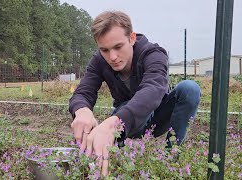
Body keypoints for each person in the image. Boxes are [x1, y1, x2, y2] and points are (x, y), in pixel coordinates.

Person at [69, 10, 200, 176]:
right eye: (105, 50)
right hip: (127, 125)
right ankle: (110, 159)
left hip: (158, 117)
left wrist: (111, 123)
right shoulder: (99, 61)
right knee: (122, 106)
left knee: (190, 89)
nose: (113, 57)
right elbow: (83, 92)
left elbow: (152, 90)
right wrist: (82, 111)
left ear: (131, 38)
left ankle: (171, 158)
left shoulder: (154, 54)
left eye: (118, 47)